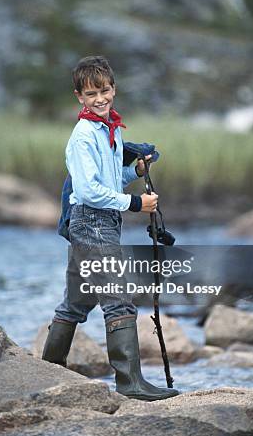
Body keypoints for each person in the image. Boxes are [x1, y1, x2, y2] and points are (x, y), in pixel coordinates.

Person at [42, 55, 178, 401]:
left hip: (96, 224)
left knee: (76, 301)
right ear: (79, 97)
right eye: (90, 94)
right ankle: (130, 383)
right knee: (119, 301)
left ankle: (48, 369)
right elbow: (87, 191)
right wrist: (135, 204)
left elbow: (111, 179)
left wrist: (136, 173)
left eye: (104, 91)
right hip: (91, 223)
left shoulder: (108, 132)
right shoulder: (83, 136)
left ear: (113, 89)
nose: (99, 99)